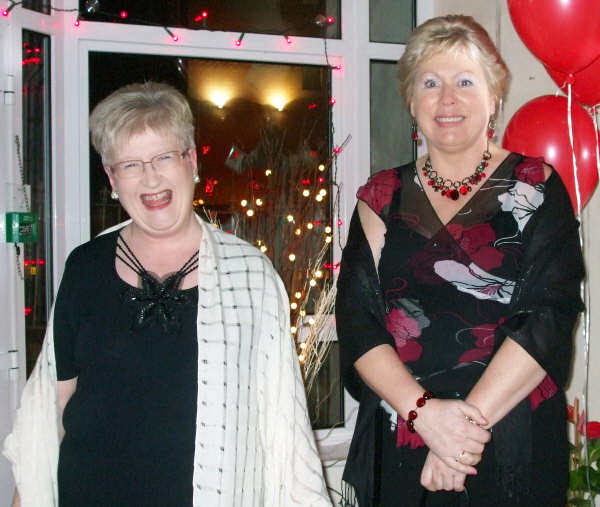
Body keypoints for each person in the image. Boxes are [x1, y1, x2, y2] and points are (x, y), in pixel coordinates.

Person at [4, 82, 331, 506]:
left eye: (164, 157)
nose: (151, 177)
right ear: (111, 178)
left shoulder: (251, 274)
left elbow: (283, 424)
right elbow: (52, 404)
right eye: (131, 164)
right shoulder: (85, 266)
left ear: (191, 161)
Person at [336, 15, 584, 507]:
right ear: (411, 101)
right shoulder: (380, 196)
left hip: (511, 442)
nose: (447, 99)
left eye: (465, 81)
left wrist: (459, 439)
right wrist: (426, 417)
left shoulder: (536, 186)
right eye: (431, 83)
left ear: (494, 96)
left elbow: (547, 319)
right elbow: (358, 323)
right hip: (404, 434)